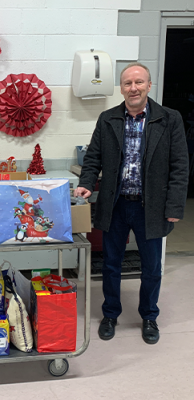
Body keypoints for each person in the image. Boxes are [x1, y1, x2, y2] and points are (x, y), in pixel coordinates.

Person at [74, 62, 189, 345]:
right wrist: (86, 183)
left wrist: (174, 207)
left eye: (139, 82)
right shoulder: (108, 118)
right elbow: (93, 158)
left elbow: (180, 166)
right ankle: (110, 314)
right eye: (127, 83)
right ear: (121, 88)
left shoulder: (170, 119)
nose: (133, 88)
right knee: (111, 264)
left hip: (151, 207)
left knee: (151, 267)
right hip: (115, 204)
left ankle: (149, 316)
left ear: (149, 86)